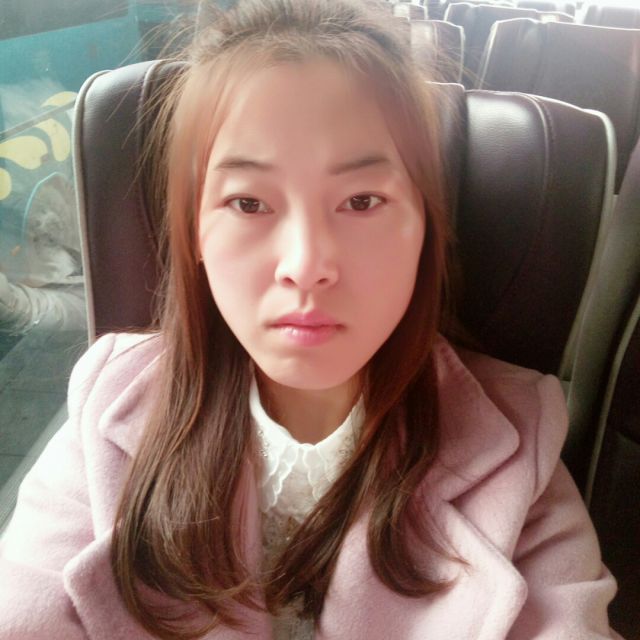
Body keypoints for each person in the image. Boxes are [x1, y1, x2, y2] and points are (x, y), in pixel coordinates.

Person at [0, 0, 623, 638]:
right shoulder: (107, 405)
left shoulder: (518, 442)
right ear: (193, 233)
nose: (306, 265)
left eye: (362, 200)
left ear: (425, 228)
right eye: (248, 203)